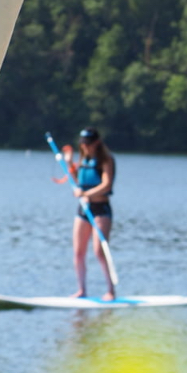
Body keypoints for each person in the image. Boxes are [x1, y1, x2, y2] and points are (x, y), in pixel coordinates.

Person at [70, 127, 116, 300]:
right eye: (83, 144)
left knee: (99, 250)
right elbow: (77, 183)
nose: (85, 147)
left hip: (101, 209)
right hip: (83, 210)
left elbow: (107, 185)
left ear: (96, 143)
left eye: (88, 144)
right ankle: (81, 290)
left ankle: (110, 290)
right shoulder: (82, 160)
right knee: (78, 252)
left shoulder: (106, 160)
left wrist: (86, 194)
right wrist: (68, 163)